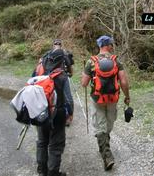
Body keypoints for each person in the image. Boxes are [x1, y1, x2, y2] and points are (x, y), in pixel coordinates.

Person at [81, 35, 130, 171]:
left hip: (97, 98)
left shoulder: (91, 61)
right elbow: (124, 82)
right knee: (108, 124)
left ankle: (104, 146)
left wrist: (86, 74)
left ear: (99, 46)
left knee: (100, 125)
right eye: (111, 44)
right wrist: (127, 96)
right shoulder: (116, 60)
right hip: (113, 98)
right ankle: (107, 155)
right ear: (108, 46)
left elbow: (84, 83)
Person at [35, 48, 70, 176]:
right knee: (56, 145)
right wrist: (70, 113)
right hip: (57, 114)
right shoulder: (61, 75)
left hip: (40, 111)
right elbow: (69, 99)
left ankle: (42, 171)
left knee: (42, 142)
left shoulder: (39, 69)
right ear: (62, 60)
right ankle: (53, 173)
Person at [52, 39, 75, 126]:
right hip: (63, 77)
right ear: (61, 45)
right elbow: (70, 67)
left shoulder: (49, 54)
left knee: (55, 96)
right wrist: (70, 74)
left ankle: (58, 116)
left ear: (53, 45)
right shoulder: (65, 54)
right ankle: (68, 117)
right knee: (67, 97)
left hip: (52, 78)